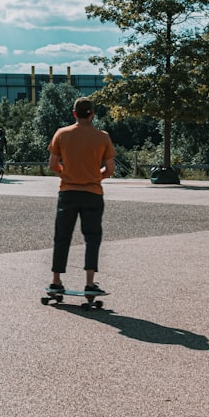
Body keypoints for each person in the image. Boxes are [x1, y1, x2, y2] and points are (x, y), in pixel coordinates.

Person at [48, 96, 115, 295]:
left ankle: (56, 280)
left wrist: (67, 174)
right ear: (92, 114)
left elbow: (53, 165)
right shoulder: (102, 137)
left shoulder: (62, 134)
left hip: (68, 191)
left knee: (62, 237)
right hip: (92, 193)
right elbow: (110, 168)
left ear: (74, 114)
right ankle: (89, 282)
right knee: (92, 237)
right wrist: (95, 177)